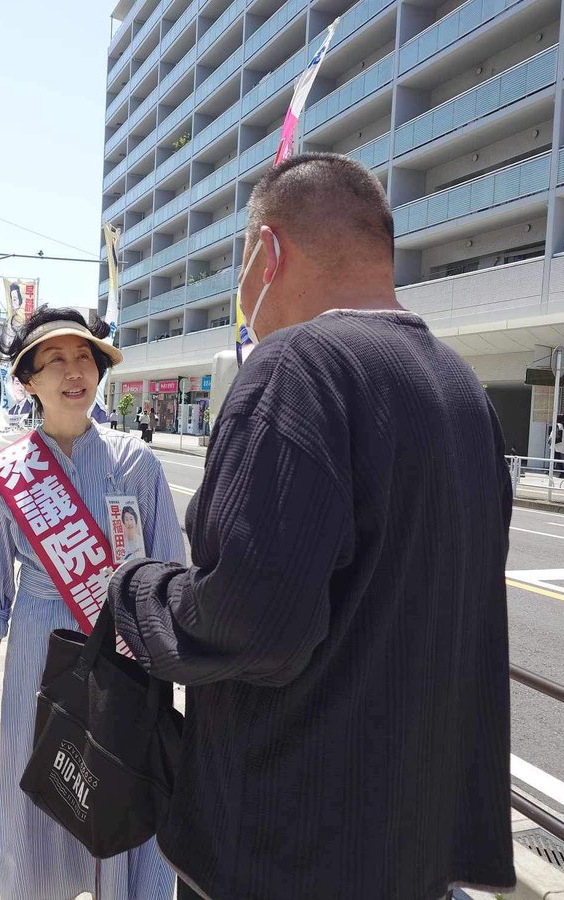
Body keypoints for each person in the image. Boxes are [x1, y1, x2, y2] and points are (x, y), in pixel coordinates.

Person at [108, 154, 516, 899]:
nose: (242, 297)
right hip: (416, 841)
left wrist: (139, 588)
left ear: (269, 253)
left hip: (290, 841)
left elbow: (251, 622)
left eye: (239, 270)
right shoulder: (464, 392)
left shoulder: (296, 368)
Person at [0, 307, 184, 900]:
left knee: (119, 800)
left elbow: (170, 579)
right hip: (37, 670)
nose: (73, 370)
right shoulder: (5, 476)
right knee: (36, 802)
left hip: (122, 670)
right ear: (28, 381)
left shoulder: (138, 464)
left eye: (84, 356)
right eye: (54, 359)